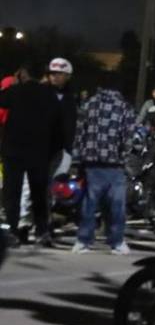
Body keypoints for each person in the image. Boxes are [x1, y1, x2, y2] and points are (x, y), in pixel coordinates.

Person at [71, 74, 137, 254]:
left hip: (91, 162)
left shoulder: (89, 104)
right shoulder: (124, 107)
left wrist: (78, 158)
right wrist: (123, 157)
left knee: (89, 203)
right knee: (117, 205)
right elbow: (128, 136)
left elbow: (79, 133)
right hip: (114, 163)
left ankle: (83, 241)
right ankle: (117, 242)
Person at [0, 65, 64, 248]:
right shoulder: (50, 95)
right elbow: (57, 125)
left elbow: (2, 100)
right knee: (38, 194)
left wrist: (13, 84)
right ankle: (42, 232)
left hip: (14, 150)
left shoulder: (15, 91)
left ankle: (12, 232)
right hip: (39, 152)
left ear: (22, 75)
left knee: (12, 193)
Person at [47, 58, 77, 179]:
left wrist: (69, 149)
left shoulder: (71, 98)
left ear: (68, 76)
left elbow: (71, 125)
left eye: (59, 74)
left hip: (62, 150)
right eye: (52, 73)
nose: (55, 76)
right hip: (40, 147)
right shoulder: (41, 94)